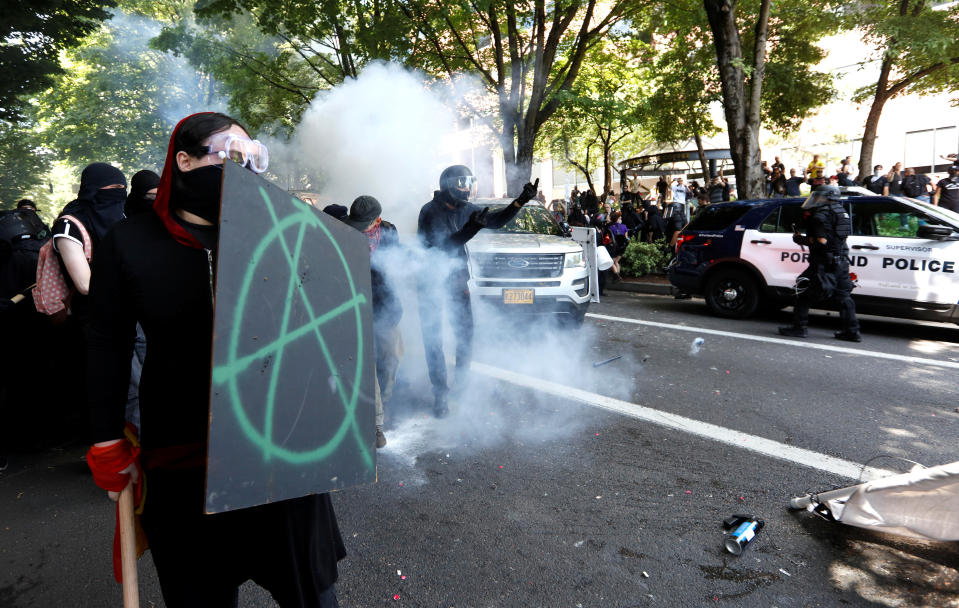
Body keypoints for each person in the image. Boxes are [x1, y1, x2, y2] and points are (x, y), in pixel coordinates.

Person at [84, 112, 345, 607]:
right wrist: (105, 439)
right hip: (184, 451)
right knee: (199, 593)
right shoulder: (132, 242)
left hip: (279, 447)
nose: (241, 168)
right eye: (228, 154)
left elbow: (324, 326)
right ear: (183, 161)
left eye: (252, 158)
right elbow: (106, 341)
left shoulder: (282, 232)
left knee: (311, 593)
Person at [417, 165, 537, 417]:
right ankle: (440, 394)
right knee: (434, 340)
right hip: (431, 282)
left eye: (469, 182)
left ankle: (461, 388)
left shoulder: (467, 209)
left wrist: (521, 201)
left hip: (457, 281)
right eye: (461, 182)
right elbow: (443, 249)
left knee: (465, 335)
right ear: (447, 185)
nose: (466, 187)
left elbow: (493, 221)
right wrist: (470, 229)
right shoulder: (430, 211)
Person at [344, 195, 402, 449]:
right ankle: (375, 423)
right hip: (356, 307)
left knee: (391, 358)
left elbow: (397, 267)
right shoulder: (343, 228)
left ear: (377, 220)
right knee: (365, 363)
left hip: (386, 307)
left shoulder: (389, 232)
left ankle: (384, 405)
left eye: (365, 224)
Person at [778, 185, 861, 342]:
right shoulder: (842, 212)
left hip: (823, 264)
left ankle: (799, 328)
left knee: (803, 291)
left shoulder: (820, 216)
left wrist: (800, 239)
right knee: (844, 297)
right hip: (841, 261)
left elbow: (821, 241)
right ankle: (852, 331)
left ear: (827, 197)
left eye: (819, 196)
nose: (816, 199)